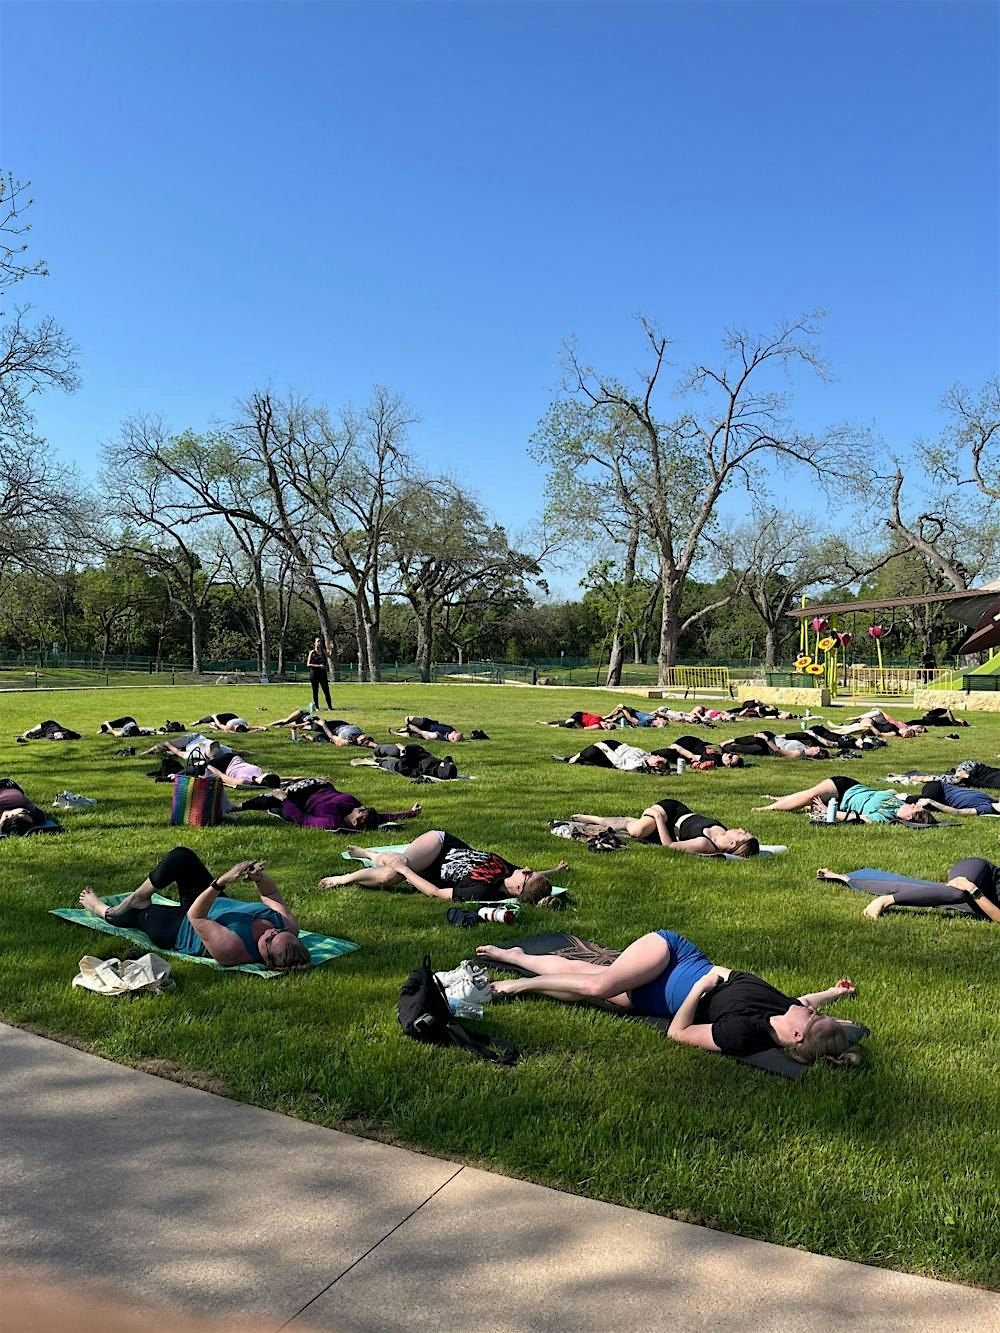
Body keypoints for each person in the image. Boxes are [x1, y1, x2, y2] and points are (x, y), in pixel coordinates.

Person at [475, 933, 861, 1065]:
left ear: (796, 1037)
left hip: (657, 996)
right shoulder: (785, 1007)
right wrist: (833, 992)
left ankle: (516, 958)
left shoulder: (745, 1034)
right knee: (596, 987)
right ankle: (518, 986)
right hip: (670, 954)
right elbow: (806, 998)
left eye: (811, 1017)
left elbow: (678, 1033)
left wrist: (701, 988)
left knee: (587, 980)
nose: (808, 1008)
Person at [77, 849, 311, 969]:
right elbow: (270, 894)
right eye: (278, 933)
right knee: (182, 856)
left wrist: (221, 882)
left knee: (136, 916)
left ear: (266, 960)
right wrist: (260, 879)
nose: (271, 933)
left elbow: (195, 915)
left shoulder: (232, 949)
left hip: (181, 928)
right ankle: (140, 895)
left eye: (270, 941)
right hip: (211, 902)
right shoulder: (286, 926)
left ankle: (102, 909)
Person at [316, 829, 567, 901]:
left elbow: (435, 893)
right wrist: (553, 871)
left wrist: (406, 871)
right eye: (529, 870)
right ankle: (368, 853)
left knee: (391, 875)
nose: (525, 869)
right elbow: (533, 877)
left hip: (432, 868)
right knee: (398, 864)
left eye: (527, 875)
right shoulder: (511, 871)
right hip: (441, 843)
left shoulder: (483, 892)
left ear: (518, 890)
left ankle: (345, 877)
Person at [817, 860, 1000, 923]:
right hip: (980, 871)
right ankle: (886, 900)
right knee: (955, 893)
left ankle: (844, 878)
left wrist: (974, 891)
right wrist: (971, 887)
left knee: (942, 895)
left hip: (980, 895)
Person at [569, 800, 759, 856]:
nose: (741, 828)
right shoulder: (722, 831)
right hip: (673, 809)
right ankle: (595, 819)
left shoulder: (705, 844)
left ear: (733, 842)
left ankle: (603, 820)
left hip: (666, 823)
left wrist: (659, 819)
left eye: (742, 833)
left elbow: (669, 847)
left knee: (635, 831)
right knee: (636, 829)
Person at [241, 777, 422, 832]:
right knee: (284, 784)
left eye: (360, 811)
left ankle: (236, 806)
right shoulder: (354, 810)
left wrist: (285, 800)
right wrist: (411, 813)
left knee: (270, 796)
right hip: (320, 785)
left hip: (303, 797)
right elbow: (386, 817)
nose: (359, 807)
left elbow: (302, 819)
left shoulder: (331, 822)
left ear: (355, 822)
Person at [753, 775, 934, 823]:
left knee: (809, 797)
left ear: (909, 817)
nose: (912, 804)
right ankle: (775, 803)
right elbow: (890, 789)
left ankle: (773, 805)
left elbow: (856, 819)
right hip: (848, 785)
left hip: (840, 801)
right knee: (810, 795)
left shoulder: (885, 818)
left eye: (914, 808)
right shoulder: (898, 801)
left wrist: (827, 812)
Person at [551, 738, 671, 772]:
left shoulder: (635, 764)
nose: (658, 756)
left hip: (610, 755)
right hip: (616, 745)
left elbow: (618, 762)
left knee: (591, 752)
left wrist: (603, 747)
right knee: (589, 760)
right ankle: (573, 758)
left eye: (660, 758)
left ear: (657, 764)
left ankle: (570, 759)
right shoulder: (647, 756)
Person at [269, 708, 375, 746]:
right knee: (285, 722)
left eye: (362, 741)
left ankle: (269, 725)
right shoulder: (358, 734)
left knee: (286, 722)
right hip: (336, 724)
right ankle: (269, 725)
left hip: (330, 727)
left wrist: (323, 725)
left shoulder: (347, 741)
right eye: (364, 738)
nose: (363, 738)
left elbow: (333, 737)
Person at [914, 778, 1000, 816]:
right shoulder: (990, 800)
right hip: (939, 786)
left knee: (925, 804)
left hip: (937, 798)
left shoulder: (986, 808)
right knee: (926, 799)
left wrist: (932, 802)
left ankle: (904, 798)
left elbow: (958, 812)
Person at [651, 736, 744, 769]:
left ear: (728, 765)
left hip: (685, 748)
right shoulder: (723, 753)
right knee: (670, 751)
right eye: (732, 755)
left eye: (730, 758)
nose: (730, 755)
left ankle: (649, 757)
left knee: (669, 752)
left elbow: (694, 758)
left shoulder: (715, 759)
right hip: (690, 743)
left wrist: (680, 750)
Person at [391, 716, 464, 743]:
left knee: (411, 734)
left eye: (455, 733)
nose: (455, 731)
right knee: (408, 718)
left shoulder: (438, 736)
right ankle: (407, 728)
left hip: (423, 732)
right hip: (429, 723)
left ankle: (396, 733)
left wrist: (413, 728)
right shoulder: (450, 729)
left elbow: (424, 734)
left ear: (452, 738)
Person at [307, 637, 333, 711]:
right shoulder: (312, 652)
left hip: (323, 674)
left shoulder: (323, 651)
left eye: (320, 641)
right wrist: (319, 666)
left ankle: (330, 707)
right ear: (314, 643)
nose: (319, 643)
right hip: (314, 674)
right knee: (315, 691)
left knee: (326, 690)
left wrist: (331, 648)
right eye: (318, 641)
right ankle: (317, 707)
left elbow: (329, 656)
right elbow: (308, 664)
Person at [191, 712, 265, 734]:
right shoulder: (244, 727)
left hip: (230, 718)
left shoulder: (229, 728)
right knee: (215, 721)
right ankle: (200, 722)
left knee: (215, 721)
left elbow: (220, 724)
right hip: (232, 717)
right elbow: (254, 727)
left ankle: (200, 722)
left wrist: (214, 717)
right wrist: (261, 728)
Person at [536, 711, 606, 729]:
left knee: (567, 722)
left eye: (605, 725)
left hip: (579, 722)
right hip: (579, 714)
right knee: (568, 722)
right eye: (606, 723)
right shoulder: (601, 719)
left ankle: (544, 723)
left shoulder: (597, 726)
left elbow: (583, 728)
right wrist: (616, 709)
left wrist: (576, 722)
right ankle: (556, 725)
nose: (605, 724)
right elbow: (610, 716)